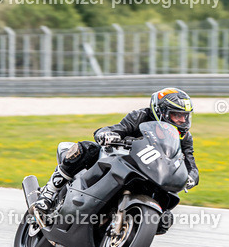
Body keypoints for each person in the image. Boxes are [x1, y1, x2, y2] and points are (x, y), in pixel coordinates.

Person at [32, 87, 199, 214]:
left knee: (164, 219)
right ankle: (49, 192)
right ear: (160, 112)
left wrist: (191, 177)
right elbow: (117, 128)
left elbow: (190, 164)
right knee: (86, 149)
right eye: (177, 115)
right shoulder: (141, 116)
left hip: (152, 171)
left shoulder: (184, 138)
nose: (182, 120)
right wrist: (108, 135)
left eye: (185, 116)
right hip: (123, 160)